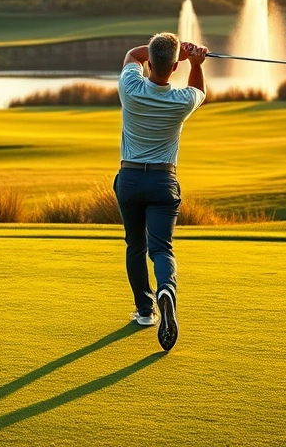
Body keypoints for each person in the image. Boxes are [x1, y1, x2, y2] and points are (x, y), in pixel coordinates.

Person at [114, 32, 207, 351]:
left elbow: (132, 54)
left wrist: (178, 53)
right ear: (175, 68)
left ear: (151, 63)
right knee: (161, 249)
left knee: (135, 245)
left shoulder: (130, 88)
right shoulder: (181, 101)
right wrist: (195, 62)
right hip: (163, 182)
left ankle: (144, 311)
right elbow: (199, 89)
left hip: (129, 180)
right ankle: (166, 289)